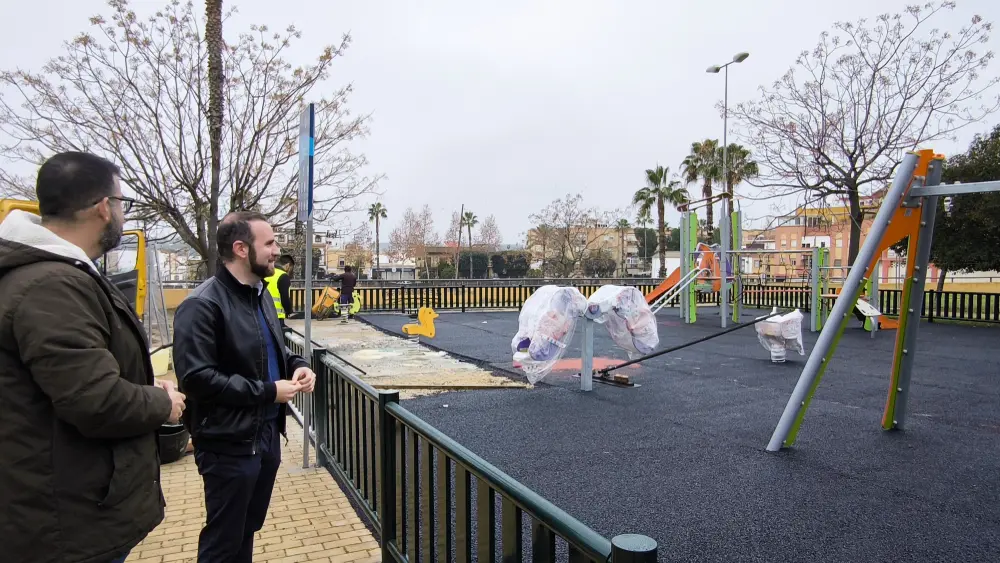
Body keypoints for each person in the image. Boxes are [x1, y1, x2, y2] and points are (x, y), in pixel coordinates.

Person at [0, 151, 187, 563]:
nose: (122, 215)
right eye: (123, 204)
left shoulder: (51, 276)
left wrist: (139, 383)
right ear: (104, 207)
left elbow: (73, 377)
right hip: (66, 524)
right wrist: (162, 403)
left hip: (68, 511)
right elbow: (94, 400)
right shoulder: (51, 286)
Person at [172, 211, 317, 563]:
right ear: (240, 248)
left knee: (246, 530)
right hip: (228, 445)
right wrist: (269, 392)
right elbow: (196, 378)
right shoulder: (202, 304)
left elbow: (273, 349)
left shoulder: (260, 294)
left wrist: (298, 366)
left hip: (264, 437)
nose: (276, 250)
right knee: (223, 541)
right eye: (269, 243)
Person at [264, 254, 294, 327]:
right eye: (291, 268)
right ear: (287, 265)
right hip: (277, 316)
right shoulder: (283, 276)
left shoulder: (268, 272)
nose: (290, 271)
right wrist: (289, 310)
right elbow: (285, 298)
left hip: (264, 312)